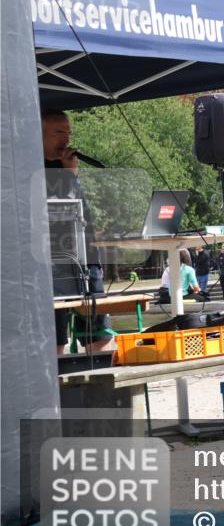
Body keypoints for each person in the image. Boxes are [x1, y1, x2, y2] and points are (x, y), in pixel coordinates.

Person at [42, 110, 115, 354]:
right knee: (55, 340)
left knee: (100, 334)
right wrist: (69, 175)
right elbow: (57, 210)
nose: (66, 139)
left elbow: (81, 210)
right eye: (59, 132)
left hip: (85, 258)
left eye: (68, 132)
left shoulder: (67, 166)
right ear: (39, 134)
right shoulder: (30, 168)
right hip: (51, 261)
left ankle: (103, 386)